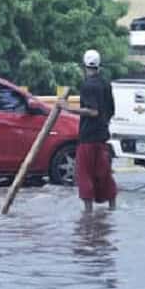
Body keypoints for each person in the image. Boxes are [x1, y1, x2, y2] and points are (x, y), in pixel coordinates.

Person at [60, 49, 117, 212]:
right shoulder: (105, 84)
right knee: (104, 174)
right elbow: (110, 110)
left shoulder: (87, 85)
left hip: (88, 138)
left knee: (84, 175)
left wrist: (68, 109)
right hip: (102, 136)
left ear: (84, 66)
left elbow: (93, 111)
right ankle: (112, 209)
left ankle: (88, 213)